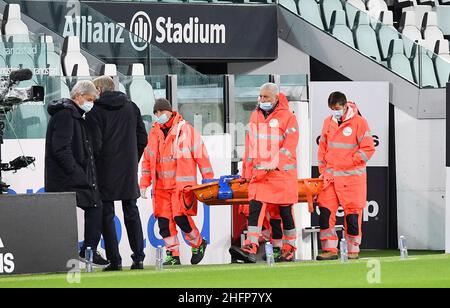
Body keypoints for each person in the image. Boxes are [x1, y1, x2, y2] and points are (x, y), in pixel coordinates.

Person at [229, 83, 299, 263]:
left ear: (276, 98)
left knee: (283, 214)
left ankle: (288, 247)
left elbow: (290, 146)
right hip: (260, 176)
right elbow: (250, 147)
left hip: (281, 175)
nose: (262, 100)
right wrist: (246, 172)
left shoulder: (288, 118)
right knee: (255, 210)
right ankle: (250, 247)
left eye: (266, 97)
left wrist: (274, 163)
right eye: (260, 96)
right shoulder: (255, 116)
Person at [139, 98, 214, 266]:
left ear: (170, 112)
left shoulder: (186, 130)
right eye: (156, 113)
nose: (159, 115)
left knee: (181, 219)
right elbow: (147, 160)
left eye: (161, 112)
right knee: (164, 223)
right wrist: (144, 183)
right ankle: (173, 254)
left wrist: (208, 179)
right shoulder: (154, 133)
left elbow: (201, 156)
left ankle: (198, 243)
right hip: (161, 188)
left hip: (180, 187)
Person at [86, 76, 148, 271]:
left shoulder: (95, 111)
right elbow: (142, 138)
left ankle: (115, 260)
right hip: (128, 168)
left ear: (99, 90)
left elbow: (95, 144)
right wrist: (132, 159)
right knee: (131, 211)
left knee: (107, 214)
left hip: (105, 169)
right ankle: (138, 258)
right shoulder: (132, 107)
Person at [45, 80, 109, 267]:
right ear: (78, 96)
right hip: (67, 177)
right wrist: (77, 173)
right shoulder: (66, 115)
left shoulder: (75, 115)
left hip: (68, 176)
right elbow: (61, 149)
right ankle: (87, 250)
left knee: (94, 205)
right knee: (94, 205)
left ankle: (86, 250)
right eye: (89, 99)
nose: (91, 104)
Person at [316, 91, 375, 261]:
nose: (335, 111)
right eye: (332, 108)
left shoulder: (360, 123)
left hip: (352, 179)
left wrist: (348, 161)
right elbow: (322, 149)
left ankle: (352, 250)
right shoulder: (328, 122)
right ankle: (329, 250)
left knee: (352, 215)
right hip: (330, 178)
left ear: (344, 105)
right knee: (325, 213)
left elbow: (368, 149)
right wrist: (323, 170)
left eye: (337, 108)